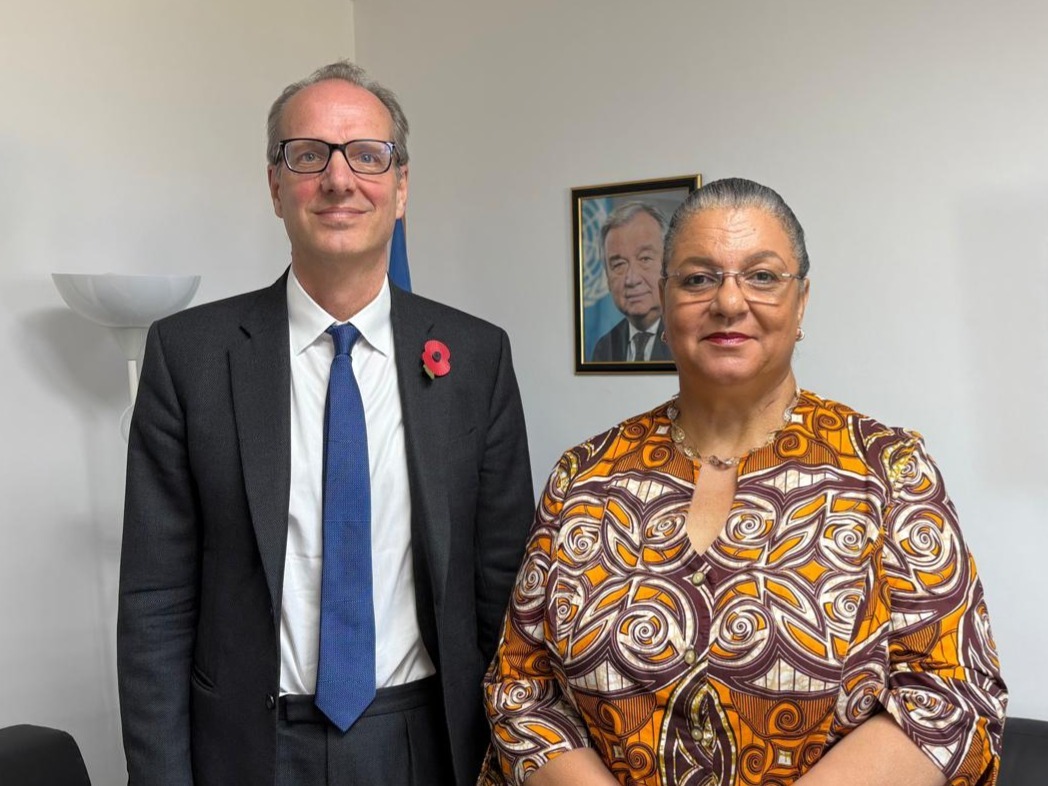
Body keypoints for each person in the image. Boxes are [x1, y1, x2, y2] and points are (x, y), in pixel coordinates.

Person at [481, 178, 1006, 786]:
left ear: (801, 301)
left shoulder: (888, 472)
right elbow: (521, 687)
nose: (729, 302)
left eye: (761, 276)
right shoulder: (584, 478)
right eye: (699, 278)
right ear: (664, 296)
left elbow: (949, 694)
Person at [117, 61, 534, 786]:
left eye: (367, 156)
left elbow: (503, 588)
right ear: (275, 185)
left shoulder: (476, 357)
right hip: (252, 746)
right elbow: (156, 602)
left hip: (428, 740)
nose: (340, 180)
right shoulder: (188, 356)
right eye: (309, 155)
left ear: (401, 188)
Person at [590, 202, 673, 363]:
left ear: (668, 265)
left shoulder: (688, 342)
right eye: (619, 264)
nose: (632, 279)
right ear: (607, 278)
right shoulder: (604, 348)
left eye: (645, 259)